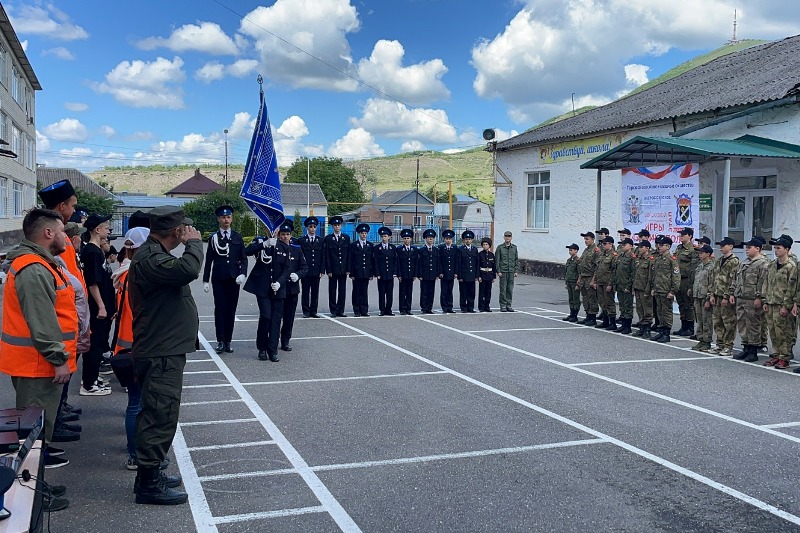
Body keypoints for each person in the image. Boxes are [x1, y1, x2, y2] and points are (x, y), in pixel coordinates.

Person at [0, 209, 77, 510]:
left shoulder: (42, 263)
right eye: (61, 231)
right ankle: (29, 498)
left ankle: (35, 487)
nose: (66, 237)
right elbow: (41, 321)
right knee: (32, 436)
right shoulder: (33, 268)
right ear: (47, 234)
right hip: (37, 365)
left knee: (38, 433)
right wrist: (58, 359)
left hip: (38, 362)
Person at [128, 206, 202, 505]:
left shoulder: (155, 255)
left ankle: (153, 470)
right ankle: (148, 484)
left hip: (164, 348)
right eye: (186, 228)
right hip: (160, 351)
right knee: (159, 415)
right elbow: (189, 270)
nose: (190, 231)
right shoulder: (151, 258)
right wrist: (194, 244)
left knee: (161, 413)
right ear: (177, 231)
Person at [111, 226, 151, 470]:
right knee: (139, 403)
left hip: (124, 346)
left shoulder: (122, 272)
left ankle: (135, 452)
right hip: (139, 347)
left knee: (134, 401)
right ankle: (136, 454)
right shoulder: (137, 275)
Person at [202, 205, 247, 353]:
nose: (226, 220)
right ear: (219, 219)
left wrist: (243, 273)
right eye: (223, 217)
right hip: (219, 279)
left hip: (234, 280)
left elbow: (243, 258)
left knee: (231, 310)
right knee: (220, 310)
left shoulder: (237, 237)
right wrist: (205, 280)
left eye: (228, 217)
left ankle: (228, 341)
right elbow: (209, 260)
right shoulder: (214, 238)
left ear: (231, 219)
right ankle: (220, 341)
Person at [80, 213, 115, 396]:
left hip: (104, 304)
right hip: (97, 308)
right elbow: (92, 282)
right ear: (96, 229)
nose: (109, 230)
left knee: (100, 342)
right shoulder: (92, 252)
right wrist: (101, 306)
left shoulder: (97, 250)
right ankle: (89, 383)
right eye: (106, 227)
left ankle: (92, 377)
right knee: (95, 344)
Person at [244, 230, 291, 362]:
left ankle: (272, 350)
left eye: (276, 229)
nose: (273, 231)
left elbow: (287, 268)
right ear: (265, 229)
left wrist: (280, 282)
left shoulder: (283, 246)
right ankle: (262, 348)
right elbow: (246, 252)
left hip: (277, 288)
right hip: (262, 287)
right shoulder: (260, 242)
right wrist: (264, 244)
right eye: (269, 228)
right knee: (266, 316)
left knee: (276, 319)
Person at [731, 238, 769, 361]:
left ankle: (753, 350)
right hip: (741, 297)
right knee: (742, 324)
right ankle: (746, 347)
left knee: (753, 324)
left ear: (757, 249)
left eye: (749, 247)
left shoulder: (763, 263)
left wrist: (759, 297)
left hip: (752, 298)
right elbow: (737, 280)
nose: (747, 249)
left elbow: (763, 282)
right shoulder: (744, 262)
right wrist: (733, 293)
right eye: (746, 247)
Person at [762, 236, 797, 369]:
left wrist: (786, 305)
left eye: (779, 248)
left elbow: (791, 288)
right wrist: (765, 300)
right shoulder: (772, 264)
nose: (776, 251)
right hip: (771, 303)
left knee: (784, 332)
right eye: (775, 248)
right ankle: (776, 355)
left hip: (782, 305)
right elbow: (767, 283)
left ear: (787, 249)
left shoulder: (791, 266)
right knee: (773, 331)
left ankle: (784, 357)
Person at [708, 237, 740, 356]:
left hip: (725, 296)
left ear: (731, 246)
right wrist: (711, 294)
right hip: (717, 295)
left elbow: (733, 280)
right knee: (717, 321)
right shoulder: (719, 260)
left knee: (729, 322)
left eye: (724, 245)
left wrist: (728, 295)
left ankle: (728, 346)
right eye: (720, 245)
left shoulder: (734, 261)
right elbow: (714, 278)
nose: (721, 247)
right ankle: (720, 344)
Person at [279, 222, 307, 351]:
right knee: (276, 316)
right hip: (279, 288)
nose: (285, 237)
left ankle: (285, 340)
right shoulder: (276, 249)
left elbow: (304, 267)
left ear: (291, 235)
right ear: (279, 235)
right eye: (283, 234)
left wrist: (298, 275)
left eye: (288, 234)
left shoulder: (296, 249)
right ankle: (272, 338)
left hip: (293, 289)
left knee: (289, 317)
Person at [649, 235, 680, 343]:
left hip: (666, 290)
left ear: (668, 246)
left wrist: (673, 291)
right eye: (659, 245)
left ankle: (666, 333)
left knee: (666, 312)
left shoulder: (672, 260)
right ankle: (661, 331)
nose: (659, 247)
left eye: (662, 245)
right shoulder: (659, 258)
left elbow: (676, 276)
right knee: (659, 311)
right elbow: (655, 275)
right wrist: (653, 287)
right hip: (658, 289)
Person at [673, 227, 700, 336]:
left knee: (688, 304)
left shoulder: (693, 249)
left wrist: (691, 284)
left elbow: (693, 267)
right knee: (681, 304)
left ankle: (689, 327)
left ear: (690, 236)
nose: (681, 236)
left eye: (683, 235)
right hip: (678, 279)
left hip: (686, 279)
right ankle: (683, 326)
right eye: (680, 234)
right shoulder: (679, 248)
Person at [690, 245, 716, 353]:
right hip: (698, 295)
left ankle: (707, 341)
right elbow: (696, 280)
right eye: (699, 253)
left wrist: (709, 297)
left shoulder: (712, 267)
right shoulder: (699, 266)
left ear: (708, 254)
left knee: (707, 320)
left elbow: (712, 283)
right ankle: (700, 338)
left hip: (705, 296)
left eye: (702, 253)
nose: (700, 254)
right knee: (699, 319)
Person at [323, 215, 350, 317]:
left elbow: (348, 255)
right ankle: (333, 310)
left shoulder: (346, 238)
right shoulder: (328, 239)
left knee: (342, 291)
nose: (337, 227)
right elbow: (327, 255)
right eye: (335, 225)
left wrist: (348, 268)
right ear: (332, 227)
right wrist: (328, 269)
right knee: (332, 290)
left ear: (341, 226)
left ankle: (340, 310)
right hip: (333, 269)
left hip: (343, 269)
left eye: (338, 225)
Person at [298, 216, 324, 318]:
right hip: (305, 270)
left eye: (314, 227)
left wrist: (322, 269)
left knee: (315, 291)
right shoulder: (302, 240)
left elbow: (323, 256)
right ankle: (306, 311)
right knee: (305, 291)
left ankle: (313, 310)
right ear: (307, 228)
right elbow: (299, 256)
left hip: (316, 270)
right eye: (310, 227)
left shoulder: (320, 240)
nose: (312, 229)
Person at [591, 236, 618, 330]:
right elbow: (597, 268)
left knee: (609, 302)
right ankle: (605, 321)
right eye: (602, 243)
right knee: (602, 302)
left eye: (604, 243)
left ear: (610, 244)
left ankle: (612, 322)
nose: (602, 245)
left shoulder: (614, 255)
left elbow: (614, 271)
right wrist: (594, 280)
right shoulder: (602, 255)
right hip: (600, 282)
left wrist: (610, 284)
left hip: (607, 282)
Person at [631, 240, 655, 338]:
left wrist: (648, 289)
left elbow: (651, 276)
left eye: (642, 247)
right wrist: (634, 287)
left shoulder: (650, 260)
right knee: (639, 309)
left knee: (647, 310)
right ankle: (642, 327)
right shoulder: (639, 259)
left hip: (646, 288)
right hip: (638, 287)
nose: (639, 249)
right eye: (639, 247)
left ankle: (647, 329)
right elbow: (635, 274)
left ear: (647, 248)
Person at [349, 223, 374, 316]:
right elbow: (351, 259)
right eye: (362, 233)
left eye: (365, 233)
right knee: (356, 291)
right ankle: (356, 310)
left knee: (364, 291)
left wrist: (371, 273)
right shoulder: (354, 245)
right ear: (359, 234)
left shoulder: (370, 245)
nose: (364, 235)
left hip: (366, 272)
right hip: (357, 272)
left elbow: (372, 260)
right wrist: (351, 273)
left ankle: (364, 310)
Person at [577, 231, 600, 326]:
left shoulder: (596, 250)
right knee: (585, 298)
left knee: (592, 298)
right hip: (584, 277)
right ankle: (588, 315)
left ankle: (592, 317)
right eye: (584, 239)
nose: (585, 241)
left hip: (590, 277)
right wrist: (579, 278)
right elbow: (582, 264)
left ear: (592, 239)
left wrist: (594, 280)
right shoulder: (586, 250)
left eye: (587, 239)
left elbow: (597, 266)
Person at [613, 238, 636, 334]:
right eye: (622, 244)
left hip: (627, 285)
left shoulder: (632, 257)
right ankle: (623, 324)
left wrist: (629, 286)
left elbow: (633, 273)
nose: (622, 246)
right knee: (622, 306)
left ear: (630, 246)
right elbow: (616, 271)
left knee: (628, 306)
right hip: (620, 284)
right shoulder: (620, 256)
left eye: (625, 244)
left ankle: (628, 326)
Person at [373, 227, 397, 316]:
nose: (384, 238)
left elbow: (395, 261)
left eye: (385, 236)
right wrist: (377, 273)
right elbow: (375, 261)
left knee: (390, 293)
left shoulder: (392, 248)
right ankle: (382, 310)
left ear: (389, 237)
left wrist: (395, 272)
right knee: (382, 293)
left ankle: (389, 309)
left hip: (390, 274)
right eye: (382, 236)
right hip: (381, 274)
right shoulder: (377, 248)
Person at [416, 229, 440, 314]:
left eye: (432, 238)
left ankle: (429, 307)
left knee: (431, 292)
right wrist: (420, 275)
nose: (430, 239)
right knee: (424, 292)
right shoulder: (421, 250)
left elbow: (438, 263)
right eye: (428, 238)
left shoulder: (436, 250)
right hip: (424, 274)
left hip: (432, 274)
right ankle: (424, 307)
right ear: (425, 239)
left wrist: (437, 274)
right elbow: (419, 263)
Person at [496, 231, 519, 312]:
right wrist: (498, 271)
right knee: (503, 289)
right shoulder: (500, 247)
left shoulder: (514, 248)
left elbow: (516, 260)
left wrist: (516, 270)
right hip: (503, 271)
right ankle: (503, 305)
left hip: (511, 271)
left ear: (511, 237)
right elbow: (497, 260)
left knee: (510, 289)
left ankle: (509, 305)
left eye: (509, 236)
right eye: (506, 236)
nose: (507, 237)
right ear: (504, 237)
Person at [396, 228, 417, 315]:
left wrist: (415, 274)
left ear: (411, 239)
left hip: (411, 274)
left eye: (408, 238)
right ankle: (402, 309)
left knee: (409, 292)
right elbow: (398, 263)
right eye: (405, 238)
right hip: (403, 275)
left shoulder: (414, 249)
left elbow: (416, 263)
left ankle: (408, 308)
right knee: (402, 292)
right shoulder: (400, 249)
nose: (406, 240)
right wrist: (399, 275)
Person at [457, 230, 479, 313]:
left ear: (472, 240)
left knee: (471, 292)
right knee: (463, 292)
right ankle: (463, 307)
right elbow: (459, 263)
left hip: (472, 275)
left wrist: (476, 275)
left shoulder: (474, 249)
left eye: (469, 239)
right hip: (464, 275)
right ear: (464, 240)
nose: (468, 240)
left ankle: (471, 307)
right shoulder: (461, 249)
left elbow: (476, 263)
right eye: (466, 239)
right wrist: (460, 276)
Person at [438, 229, 459, 313]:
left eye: (449, 239)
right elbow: (439, 261)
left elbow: (456, 261)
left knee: (450, 290)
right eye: (446, 238)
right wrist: (440, 272)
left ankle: (450, 306)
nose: (448, 240)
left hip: (451, 273)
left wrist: (456, 272)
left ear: (452, 239)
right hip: (444, 273)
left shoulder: (454, 248)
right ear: (444, 239)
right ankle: (444, 307)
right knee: (444, 291)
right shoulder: (441, 248)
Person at [562, 243, 581, 322]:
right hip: (569, 281)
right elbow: (567, 272)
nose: (570, 251)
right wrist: (566, 282)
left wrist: (578, 283)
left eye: (571, 250)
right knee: (571, 298)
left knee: (575, 299)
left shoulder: (578, 261)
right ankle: (571, 313)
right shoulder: (569, 260)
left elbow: (580, 273)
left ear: (576, 251)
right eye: (569, 250)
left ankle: (575, 315)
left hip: (574, 282)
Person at [477, 237, 496, 312]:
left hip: (489, 275)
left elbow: (493, 266)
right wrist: (479, 276)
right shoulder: (480, 254)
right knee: (482, 292)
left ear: (489, 246)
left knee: (488, 292)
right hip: (483, 274)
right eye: (483, 244)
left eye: (486, 244)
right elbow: (478, 265)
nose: (485, 246)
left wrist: (494, 276)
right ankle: (481, 307)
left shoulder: (491, 255)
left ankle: (487, 306)